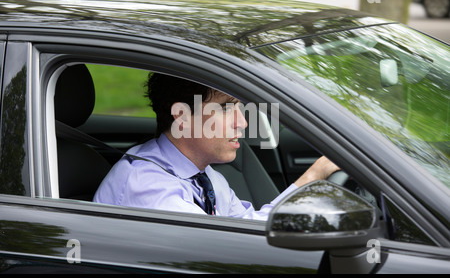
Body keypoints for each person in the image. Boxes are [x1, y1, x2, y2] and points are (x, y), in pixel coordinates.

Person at [93, 73, 339, 220]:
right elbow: (228, 250)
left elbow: (247, 226)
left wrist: (315, 175)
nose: (242, 122)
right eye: (224, 108)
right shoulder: (150, 188)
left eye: (238, 108)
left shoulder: (202, 174)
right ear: (182, 117)